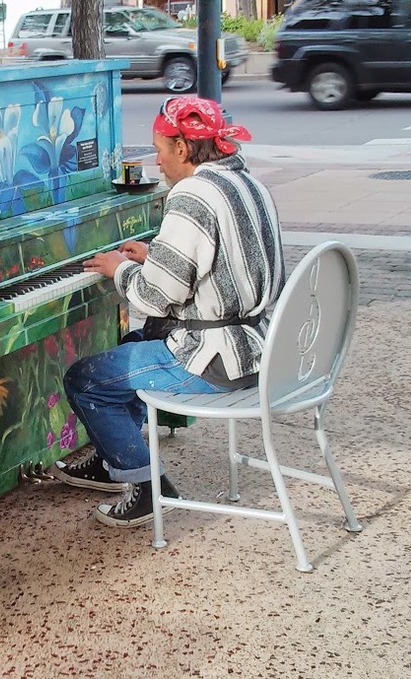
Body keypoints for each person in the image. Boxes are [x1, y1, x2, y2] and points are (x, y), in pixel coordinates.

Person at [54, 96, 286, 528]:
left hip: (215, 359)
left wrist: (120, 267)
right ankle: (114, 461)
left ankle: (147, 488)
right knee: (131, 346)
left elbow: (154, 298)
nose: (156, 161)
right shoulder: (247, 184)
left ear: (182, 148)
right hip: (260, 348)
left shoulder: (192, 195)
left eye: (160, 149)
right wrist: (154, 254)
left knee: (86, 379)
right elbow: (210, 265)